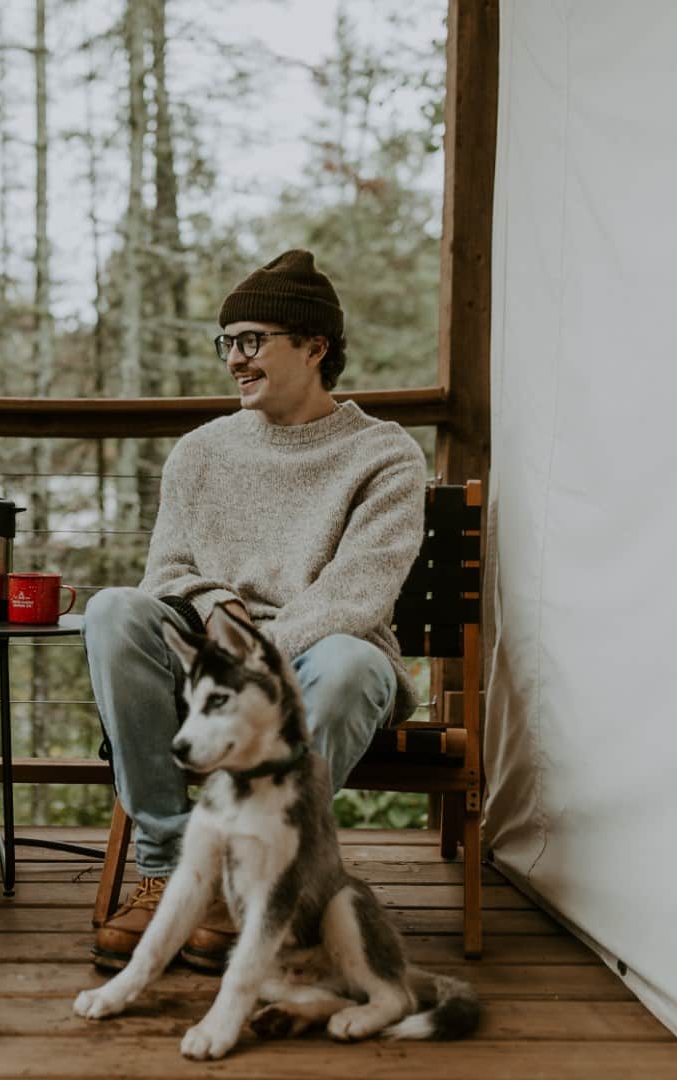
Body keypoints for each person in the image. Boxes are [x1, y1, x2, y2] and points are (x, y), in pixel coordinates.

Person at [82, 250, 427, 973]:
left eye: (251, 341)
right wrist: (214, 606)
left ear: (314, 346)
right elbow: (166, 576)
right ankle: (173, 867)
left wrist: (253, 655)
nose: (234, 360)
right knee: (115, 611)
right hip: (211, 657)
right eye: (227, 343)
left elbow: (356, 597)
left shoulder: (383, 456)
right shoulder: (200, 453)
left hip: (320, 655)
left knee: (354, 663)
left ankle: (258, 876)